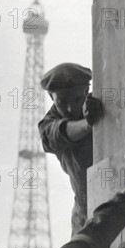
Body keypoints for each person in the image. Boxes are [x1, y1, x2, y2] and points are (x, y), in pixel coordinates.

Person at [38, 63, 104, 236]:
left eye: (76, 100)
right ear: (52, 98)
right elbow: (58, 133)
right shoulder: (47, 125)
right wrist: (91, 125)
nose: (70, 108)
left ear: (87, 90)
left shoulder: (101, 103)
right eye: (62, 102)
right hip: (84, 212)